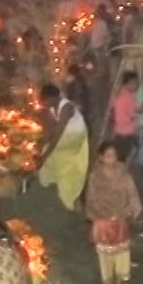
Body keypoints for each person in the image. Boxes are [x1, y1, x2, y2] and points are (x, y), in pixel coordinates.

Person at [84, 141, 142, 284]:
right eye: (108, 156)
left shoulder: (124, 174)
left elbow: (132, 194)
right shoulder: (95, 177)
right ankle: (108, 280)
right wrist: (102, 215)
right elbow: (91, 200)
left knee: (122, 252)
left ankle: (122, 278)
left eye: (114, 156)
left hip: (121, 218)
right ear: (101, 157)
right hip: (102, 221)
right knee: (105, 254)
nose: (112, 159)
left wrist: (129, 212)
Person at [37, 83, 90, 211]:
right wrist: (40, 148)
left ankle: (69, 196)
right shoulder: (49, 107)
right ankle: (50, 178)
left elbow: (58, 135)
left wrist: (43, 157)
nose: (44, 103)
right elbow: (49, 131)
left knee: (60, 157)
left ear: (54, 98)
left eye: (46, 100)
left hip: (75, 135)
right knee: (47, 150)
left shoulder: (66, 107)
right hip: (64, 134)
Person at [112, 71, 140, 163]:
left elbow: (133, 108)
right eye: (135, 83)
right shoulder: (122, 98)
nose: (137, 85)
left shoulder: (130, 96)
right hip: (124, 136)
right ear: (128, 84)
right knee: (121, 162)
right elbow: (120, 119)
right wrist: (132, 118)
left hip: (129, 134)